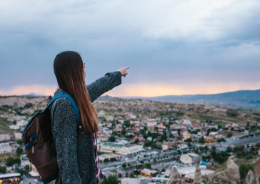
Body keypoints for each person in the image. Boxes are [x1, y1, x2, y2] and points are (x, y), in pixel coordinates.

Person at [49, 51, 129, 184]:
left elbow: (97, 87)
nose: (85, 71)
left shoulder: (74, 97)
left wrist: (117, 74)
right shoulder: (64, 104)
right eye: (83, 66)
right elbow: (67, 160)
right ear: (75, 70)